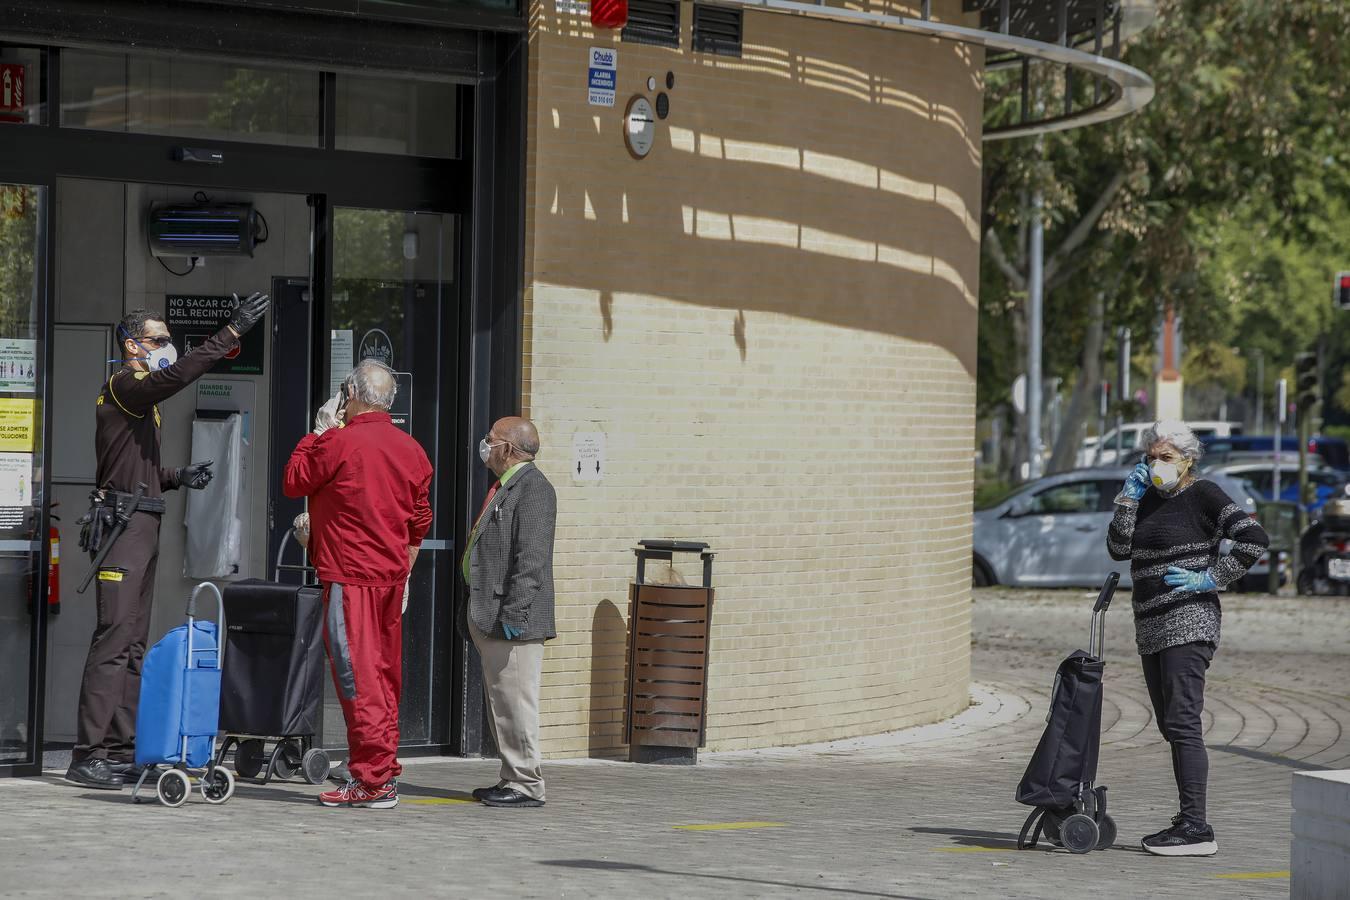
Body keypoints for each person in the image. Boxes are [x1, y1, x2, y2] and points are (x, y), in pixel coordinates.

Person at [66, 293, 270, 790]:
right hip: (123, 527)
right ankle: (86, 754)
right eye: (160, 339)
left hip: (143, 520)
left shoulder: (138, 396)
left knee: (134, 644)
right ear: (133, 345)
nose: (168, 346)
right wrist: (229, 333)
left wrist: (176, 475)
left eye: (169, 339)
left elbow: (131, 465)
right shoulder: (125, 384)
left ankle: (117, 749)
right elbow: (174, 378)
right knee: (113, 639)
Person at [1107, 420, 1269, 857]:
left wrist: (1208, 578)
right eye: (1151, 458)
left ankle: (1196, 826)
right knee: (1169, 725)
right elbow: (1119, 549)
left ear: (1187, 461)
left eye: (1166, 458)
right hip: (1150, 625)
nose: (1157, 465)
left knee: (1182, 722)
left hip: (1190, 621)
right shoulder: (1144, 499)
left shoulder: (1204, 494)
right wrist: (1128, 497)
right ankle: (1189, 820)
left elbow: (1255, 540)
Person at [283, 360, 432, 809]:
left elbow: (294, 481)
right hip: (387, 578)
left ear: (352, 394)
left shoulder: (338, 442)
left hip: (350, 578)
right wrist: (403, 569)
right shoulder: (413, 450)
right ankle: (382, 770)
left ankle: (372, 782)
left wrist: (318, 432)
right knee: (383, 679)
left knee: (357, 681)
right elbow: (419, 521)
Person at [464, 416, 557, 808]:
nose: (485, 445)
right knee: (503, 704)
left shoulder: (533, 489)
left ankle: (526, 784)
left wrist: (514, 618)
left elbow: (531, 561)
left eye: (491, 439)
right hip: (490, 614)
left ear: (509, 449)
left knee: (517, 704)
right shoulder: (506, 486)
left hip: (512, 620)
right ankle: (511, 777)